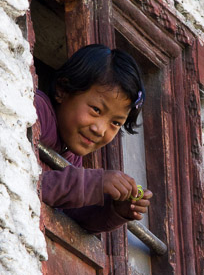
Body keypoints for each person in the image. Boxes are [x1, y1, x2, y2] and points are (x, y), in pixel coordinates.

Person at [34, 44, 153, 234]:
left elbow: (68, 214)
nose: (100, 130)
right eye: (96, 110)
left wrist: (113, 209)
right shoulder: (35, 112)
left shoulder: (71, 155)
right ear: (62, 90)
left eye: (115, 123)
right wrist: (95, 183)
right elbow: (27, 183)